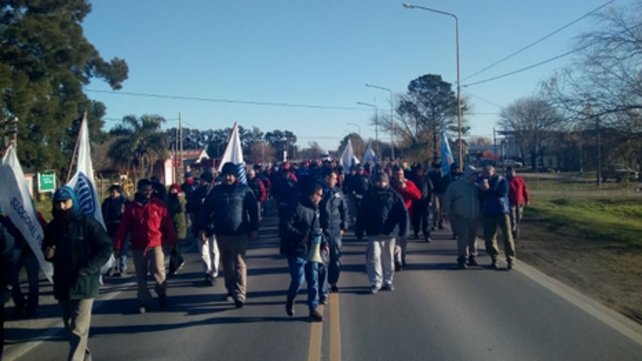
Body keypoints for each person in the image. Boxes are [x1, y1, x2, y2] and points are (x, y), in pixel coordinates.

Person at [42, 186, 112, 361]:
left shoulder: (87, 223)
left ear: (73, 201)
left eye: (65, 202)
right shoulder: (53, 226)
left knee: (78, 328)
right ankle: (84, 357)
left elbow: (105, 247)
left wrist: (89, 268)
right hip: (63, 282)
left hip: (84, 283)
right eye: (58, 203)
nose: (62, 207)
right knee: (69, 327)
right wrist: (48, 253)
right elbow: (47, 246)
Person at [198, 162, 259, 308]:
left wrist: (254, 228)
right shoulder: (216, 192)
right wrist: (203, 228)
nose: (228, 178)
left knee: (239, 263)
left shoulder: (245, 190)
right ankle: (230, 290)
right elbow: (206, 211)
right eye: (226, 175)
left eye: (231, 175)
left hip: (240, 232)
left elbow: (253, 210)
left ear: (236, 175)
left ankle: (240, 294)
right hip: (222, 233)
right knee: (226, 264)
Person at [114, 179, 176, 313]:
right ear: (139, 190)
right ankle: (143, 301)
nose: (148, 193)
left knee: (159, 271)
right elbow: (123, 227)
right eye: (145, 190)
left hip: (156, 243)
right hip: (138, 245)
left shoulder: (158, 205)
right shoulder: (131, 208)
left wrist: (171, 241)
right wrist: (118, 245)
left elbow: (167, 224)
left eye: (150, 190)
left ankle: (161, 292)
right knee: (141, 276)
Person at [280, 183, 327, 321]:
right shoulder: (296, 207)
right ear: (313, 195)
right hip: (296, 250)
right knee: (298, 280)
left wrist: (324, 243)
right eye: (320, 195)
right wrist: (301, 236)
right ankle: (290, 299)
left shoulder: (316, 209)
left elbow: (318, 228)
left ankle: (313, 309)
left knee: (313, 280)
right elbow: (285, 227)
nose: (321, 198)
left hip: (312, 250)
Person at [356, 172, 408, 294]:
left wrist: (403, 232)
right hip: (373, 231)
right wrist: (359, 229)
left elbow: (403, 214)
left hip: (389, 233)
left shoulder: (395, 196)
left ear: (387, 182)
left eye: (382, 181)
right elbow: (362, 214)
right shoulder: (368, 195)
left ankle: (388, 281)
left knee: (388, 258)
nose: (380, 183)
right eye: (378, 181)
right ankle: (376, 282)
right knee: (373, 257)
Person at [442, 165, 482, 269]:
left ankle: (472, 256)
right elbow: (447, 199)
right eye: (473, 175)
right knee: (463, 237)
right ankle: (462, 258)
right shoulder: (455, 186)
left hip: (474, 216)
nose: (475, 177)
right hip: (460, 216)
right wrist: (447, 212)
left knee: (473, 237)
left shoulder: (477, 187)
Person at [318, 168, 349, 298]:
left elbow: (345, 211)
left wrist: (344, 227)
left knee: (335, 260)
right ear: (326, 178)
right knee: (322, 262)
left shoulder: (339, 193)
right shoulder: (319, 192)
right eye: (333, 178)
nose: (336, 180)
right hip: (323, 231)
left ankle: (333, 282)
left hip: (336, 231)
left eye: (336, 178)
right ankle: (322, 290)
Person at [480, 165, 516, 270]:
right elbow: (481, 196)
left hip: (502, 211)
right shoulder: (483, 182)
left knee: (507, 236)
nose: (486, 173)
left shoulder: (502, 180)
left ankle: (510, 260)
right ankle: (494, 258)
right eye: (484, 172)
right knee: (490, 237)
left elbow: (502, 193)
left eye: (488, 171)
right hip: (489, 212)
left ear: (493, 171)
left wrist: (488, 190)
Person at [188, 172, 219, 286]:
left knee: (214, 250)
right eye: (202, 180)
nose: (202, 182)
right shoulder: (196, 193)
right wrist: (199, 203)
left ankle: (214, 273)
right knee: (203, 252)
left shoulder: (216, 192)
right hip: (200, 225)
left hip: (214, 225)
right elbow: (190, 207)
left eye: (204, 180)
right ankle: (207, 271)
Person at [390, 165, 422, 270]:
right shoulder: (390, 185)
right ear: (393, 175)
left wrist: (405, 188)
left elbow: (418, 195)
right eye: (397, 174)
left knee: (403, 238)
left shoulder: (409, 183)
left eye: (401, 174)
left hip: (406, 214)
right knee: (395, 238)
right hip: (393, 215)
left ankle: (402, 257)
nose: (399, 177)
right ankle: (397, 259)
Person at [101, 184, 129, 277]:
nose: (112, 194)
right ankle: (110, 268)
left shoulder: (124, 202)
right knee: (110, 250)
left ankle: (123, 268)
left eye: (114, 192)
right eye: (111, 192)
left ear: (119, 192)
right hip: (109, 227)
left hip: (121, 227)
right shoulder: (106, 202)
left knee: (122, 249)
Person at [165, 184, 187, 276]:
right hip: (170, 225)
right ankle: (179, 261)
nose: (172, 192)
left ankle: (172, 269)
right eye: (171, 190)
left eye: (174, 190)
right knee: (172, 248)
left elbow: (182, 208)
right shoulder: (167, 199)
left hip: (180, 226)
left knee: (175, 248)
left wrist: (180, 198)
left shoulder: (182, 199)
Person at [409, 164, 434, 242]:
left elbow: (431, 190)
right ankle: (416, 232)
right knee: (416, 218)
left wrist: (430, 200)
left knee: (426, 219)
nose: (419, 171)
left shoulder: (427, 179)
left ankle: (427, 235)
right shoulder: (412, 179)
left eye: (421, 170)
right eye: (418, 170)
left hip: (425, 201)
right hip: (415, 201)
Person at [506, 166, 530, 239]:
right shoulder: (505, 180)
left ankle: (517, 227)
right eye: (510, 172)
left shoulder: (519, 179)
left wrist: (527, 199)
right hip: (510, 202)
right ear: (507, 172)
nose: (512, 173)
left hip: (519, 202)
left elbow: (524, 189)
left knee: (519, 216)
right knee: (512, 217)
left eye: (513, 172)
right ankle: (513, 230)